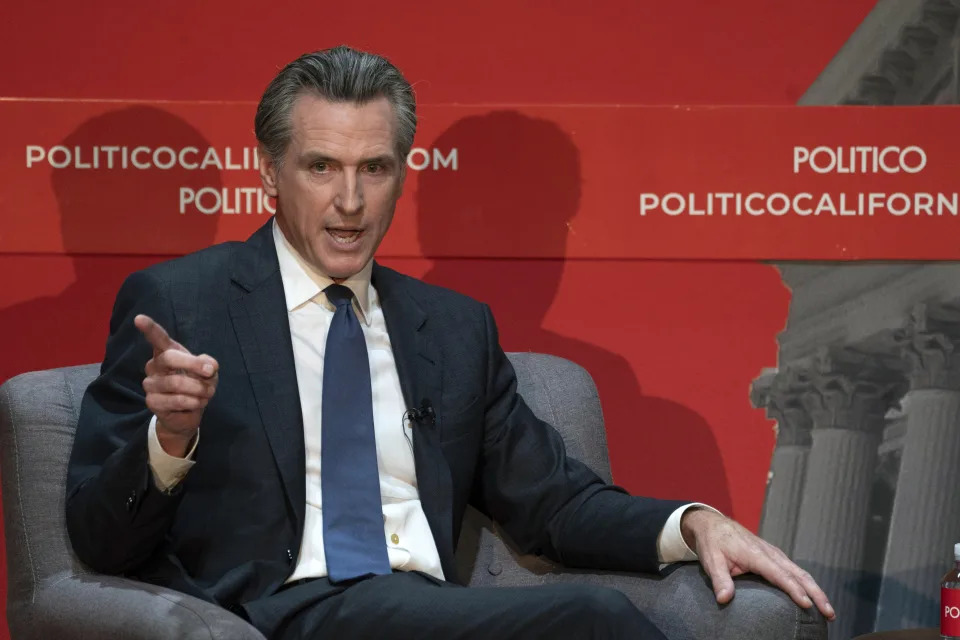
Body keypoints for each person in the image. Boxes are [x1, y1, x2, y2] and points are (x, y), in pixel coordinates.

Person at [66, 46, 833, 639]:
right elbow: (99, 539)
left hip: (425, 611)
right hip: (283, 610)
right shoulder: (182, 303)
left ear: (403, 175)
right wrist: (169, 440)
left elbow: (555, 505)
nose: (349, 202)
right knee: (587, 621)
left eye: (375, 168)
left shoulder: (453, 327)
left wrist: (693, 522)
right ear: (270, 170)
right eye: (321, 167)